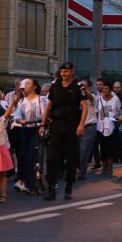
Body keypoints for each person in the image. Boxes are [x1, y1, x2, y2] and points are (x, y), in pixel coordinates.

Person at [41, 62, 87, 201]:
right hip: (56, 125)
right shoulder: (55, 85)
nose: (64, 74)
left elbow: (84, 107)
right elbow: (48, 106)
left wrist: (81, 125)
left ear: (72, 71)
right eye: (62, 71)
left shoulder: (79, 86)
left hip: (72, 126)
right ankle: (51, 189)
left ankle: (68, 187)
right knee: (52, 158)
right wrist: (43, 124)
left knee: (71, 157)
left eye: (66, 71)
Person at [10, 78, 45, 194]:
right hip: (25, 129)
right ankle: (23, 181)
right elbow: (17, 114)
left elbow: (45, 114)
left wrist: (42, 124)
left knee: (32, 155)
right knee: (23, 155)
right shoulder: (22, 101)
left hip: (36, 129)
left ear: (34, 87)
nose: (25, 86)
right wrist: (20, 120)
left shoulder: (41, 99)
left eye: (28, 84)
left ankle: (31, 183)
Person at [95, 81, 122, 174]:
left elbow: (119, 111)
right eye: (104, 89)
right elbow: (96, 112)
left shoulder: (115, 99)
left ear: (111, 90)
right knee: (102, 147)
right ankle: (104, 166)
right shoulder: (99, 99)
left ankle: (110, 166)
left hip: (112, 126)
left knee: (111, 147)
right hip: (101, 127)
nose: (104, 90)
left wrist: (115, 116)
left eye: (107, 89)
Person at [77, 79, 98, 181]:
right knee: (76, 150)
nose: (81, 88)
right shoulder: (77, 97)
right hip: (77, 127)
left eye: (84, 86)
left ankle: (81, 174)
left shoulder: (92, 97)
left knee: (84, 151)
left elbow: (88, 96)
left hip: (89, 126)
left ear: (88, 87)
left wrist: (83, 88)